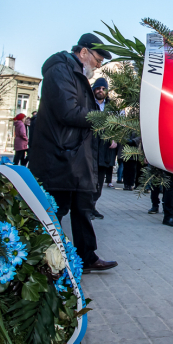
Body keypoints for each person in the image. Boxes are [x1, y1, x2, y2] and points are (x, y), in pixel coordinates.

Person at [28, 33, 118, 273]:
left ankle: (86, 256)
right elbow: (68, 112)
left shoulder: (76, 74)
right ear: (84, 52)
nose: (99, 65)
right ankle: (46, 259)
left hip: (74, 156)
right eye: (98, 59)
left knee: (82, 207)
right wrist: (102, 118)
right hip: (59, 157)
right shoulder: (60, 70)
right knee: (56, 209)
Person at [91, 77, 117, 219]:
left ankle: (93, 206)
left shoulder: (112, 107)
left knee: (99, 181)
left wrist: (116, 138)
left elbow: (119, 125)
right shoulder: (89, 103)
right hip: (91, 147)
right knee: (90, 179)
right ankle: (86, 207)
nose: (100, 91)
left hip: (105, 150)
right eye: (98, 88)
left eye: (103, 89)